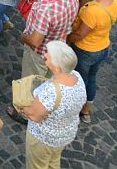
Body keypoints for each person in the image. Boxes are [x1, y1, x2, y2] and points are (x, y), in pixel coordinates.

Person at [17, 41, 85, 169]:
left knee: (37, 165)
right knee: (53, 161)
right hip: (63, 135)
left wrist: (21, 104)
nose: (45, 55)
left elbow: (34, 116)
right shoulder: (77, 76)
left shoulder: (51, 91)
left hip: (43, 139)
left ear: (57, 67)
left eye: (48, 54)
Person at [68, 0, 117, 116]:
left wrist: (66, 39)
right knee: (92, 77)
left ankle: (77, 107)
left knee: (80, 80)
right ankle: (87, 107)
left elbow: (80, 34)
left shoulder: (93, 12)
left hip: (86, 50)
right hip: (102, 46)